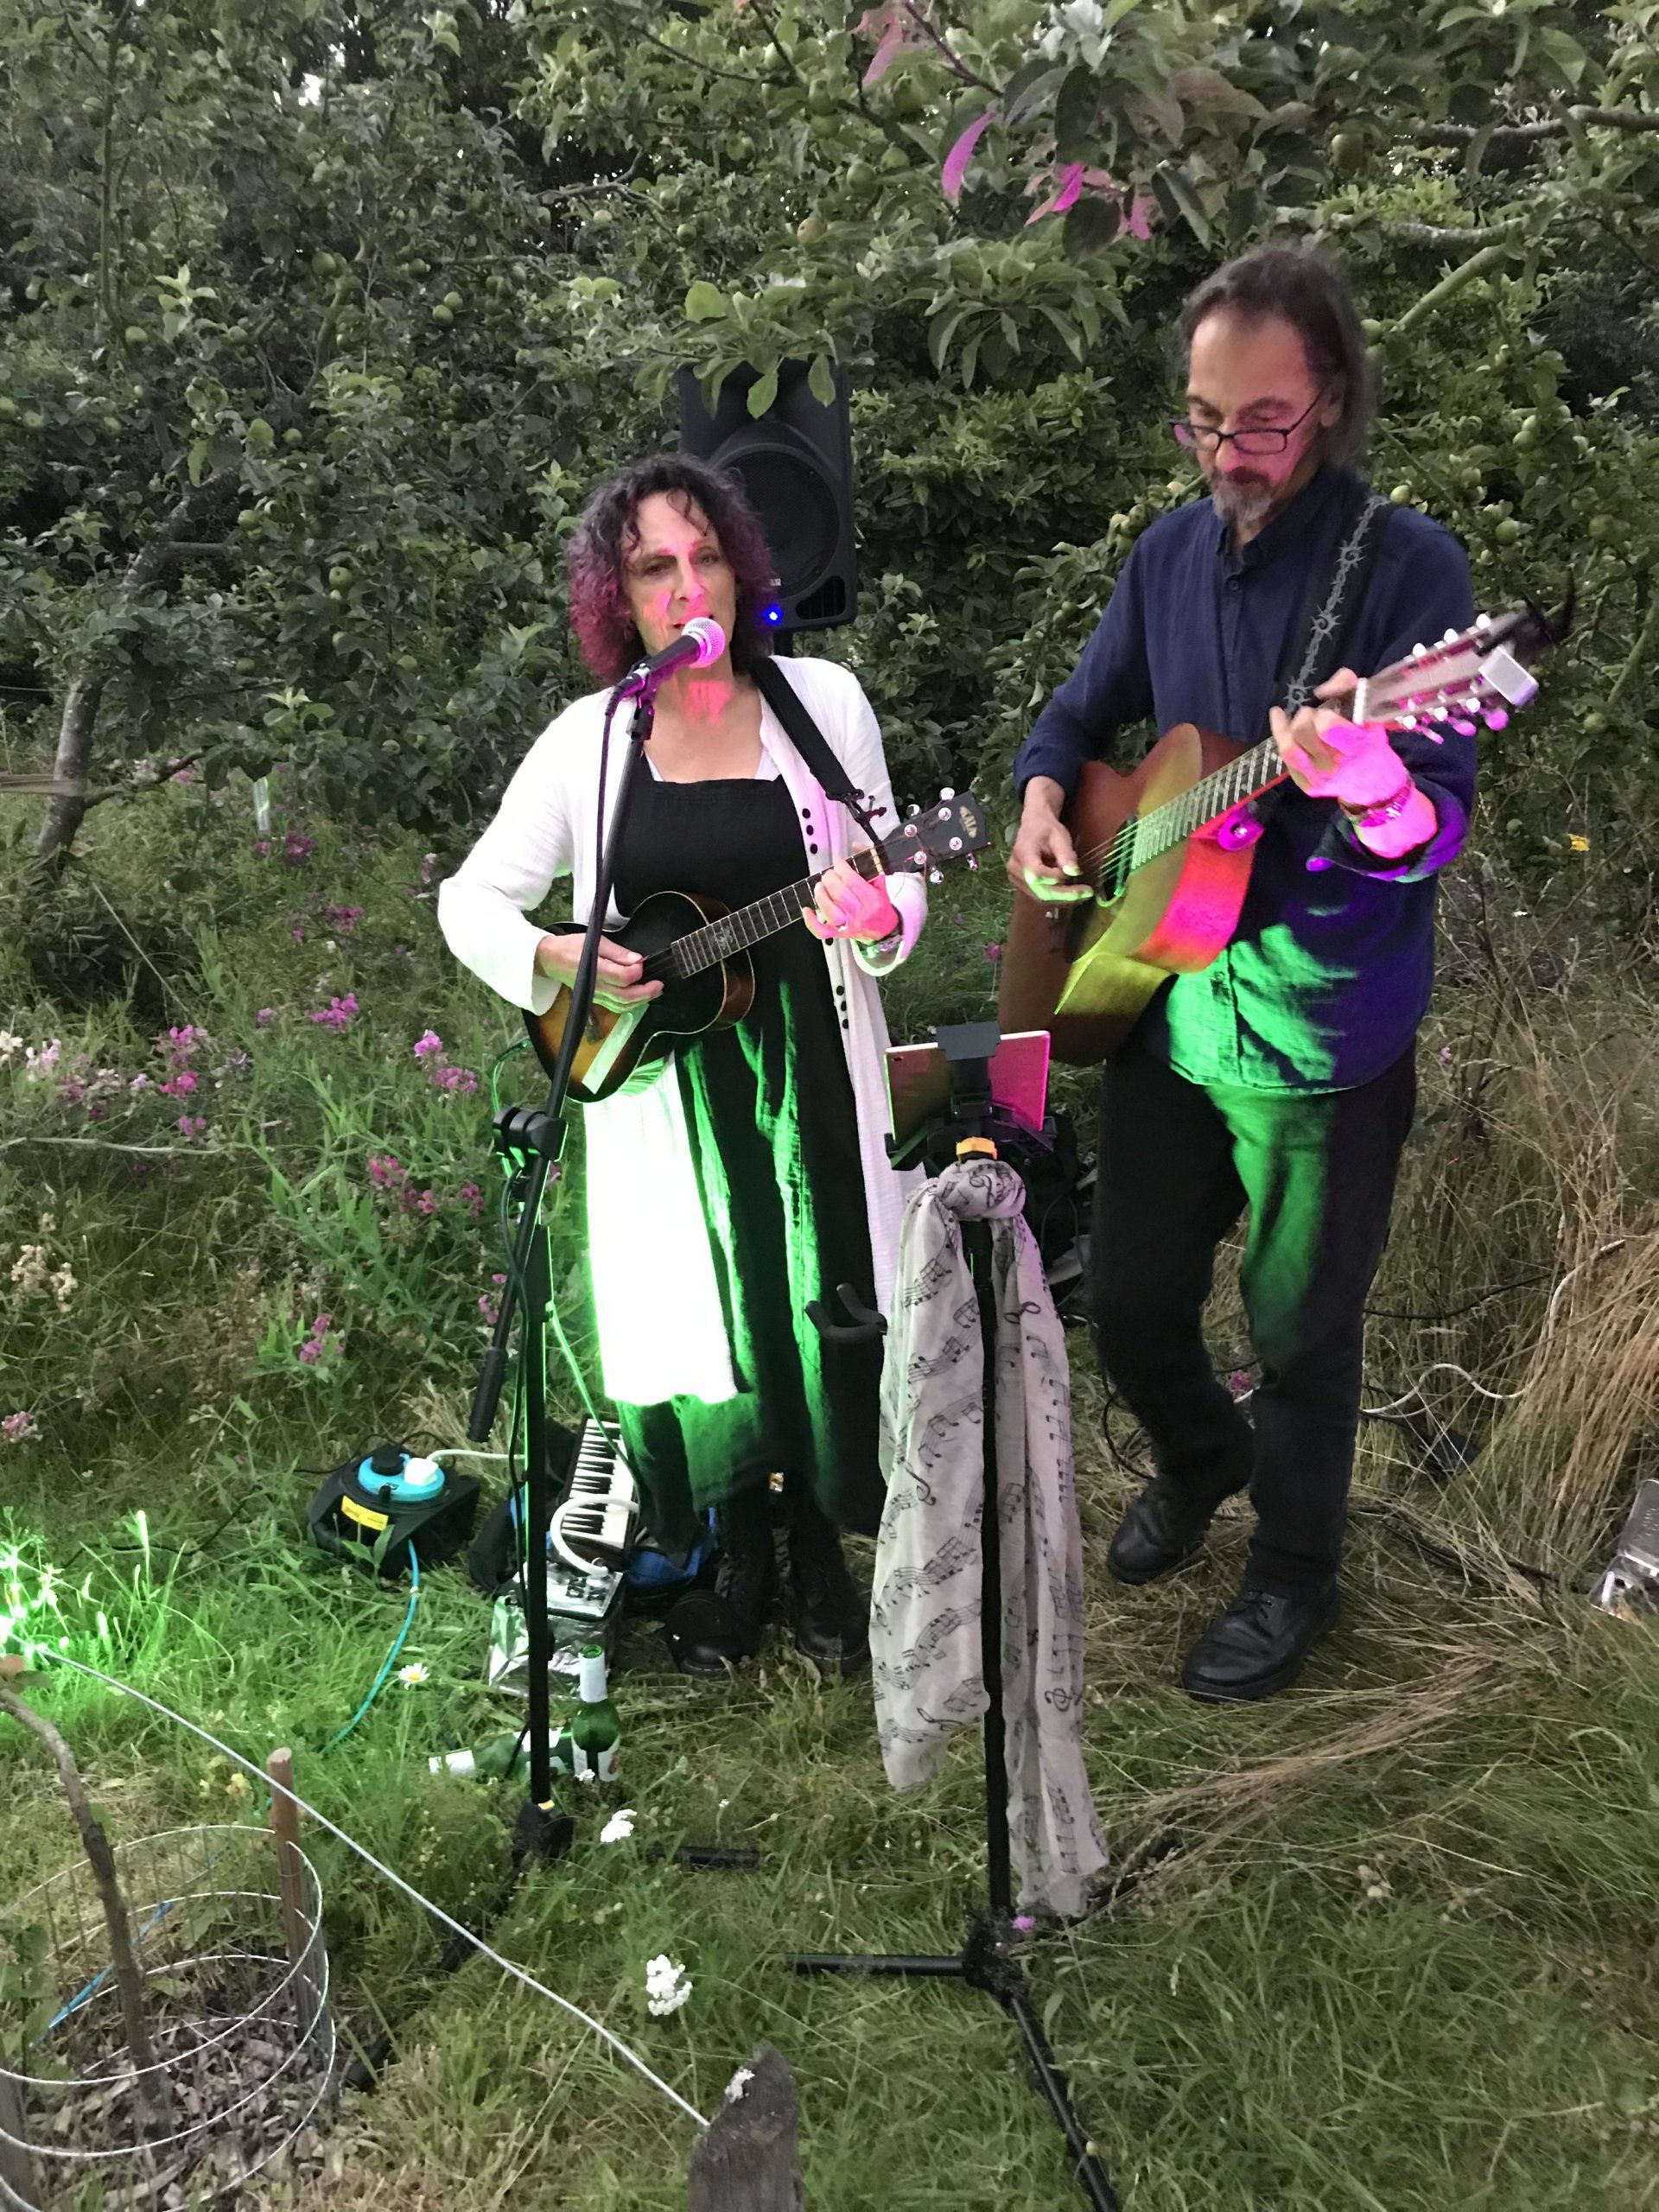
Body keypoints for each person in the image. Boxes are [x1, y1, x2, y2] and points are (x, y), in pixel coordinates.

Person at [1008, 245, 1477, 1702]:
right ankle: (1201, 1460)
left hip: (1320, 1037)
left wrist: (1371, 785)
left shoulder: (1409, 574)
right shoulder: (1165, 555)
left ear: (1328, 400)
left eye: (1260, 424)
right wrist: (1041, 793)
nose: (1230, 455)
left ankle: (1292, 1575)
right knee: (1132, 1299)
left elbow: (1431, 821)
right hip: (1162, 1003)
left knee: (1298, 1334)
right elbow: (1081, 712)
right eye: (1204, 422)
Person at [439, 454, 925, 1679]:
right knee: (705, 1319)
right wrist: (557, 950)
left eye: (707, 557)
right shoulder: (591, 740)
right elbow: (471, 901)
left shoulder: (823, 702)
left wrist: (880, 919)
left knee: (821, 1304)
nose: (687, 586)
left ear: (743, 569)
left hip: (805, 1059)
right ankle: (738, 1552)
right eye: (657, 566)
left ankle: (821, 1553)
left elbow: (896, 870)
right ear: (620, 593)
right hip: (662, 1085)